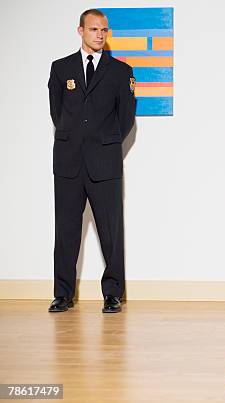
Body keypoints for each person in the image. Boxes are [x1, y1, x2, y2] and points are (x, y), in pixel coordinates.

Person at [47, 9, 136, 313]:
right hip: (68, 163)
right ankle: (63, 294)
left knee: (111, 232)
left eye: (104, 30)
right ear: (80, 31)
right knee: (66, 231)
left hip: (105, 164)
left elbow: (126, 119)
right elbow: (57, 113)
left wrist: (104, 143)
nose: (100, 35)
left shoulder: (121, 72)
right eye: (94, 29)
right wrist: (76, 140)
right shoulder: (60, 69)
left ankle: (112, 293)